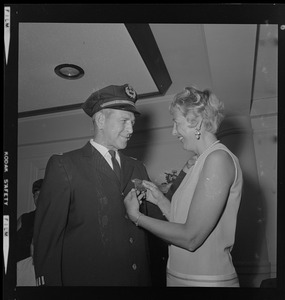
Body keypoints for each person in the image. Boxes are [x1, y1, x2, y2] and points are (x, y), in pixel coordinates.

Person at [32, 84, 185, 286]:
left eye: (132, 122)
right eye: (124, 121)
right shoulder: (65, 165)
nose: (131, 129)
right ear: (101, 120)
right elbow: (47, 242)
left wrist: (184, 177)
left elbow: (160, 224)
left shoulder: (137, 167)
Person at [124, 86, 243, 287]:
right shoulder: (200, 161)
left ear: (195, 123)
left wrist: (137, 217)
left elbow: (191, 237)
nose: (173, 131)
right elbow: (186, 223)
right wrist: (161, 200)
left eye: (176, 123)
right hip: (181, 277)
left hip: (206, 281)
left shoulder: (218, 159)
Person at [17, 178, 43, 286]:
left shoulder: (56, 218)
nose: (38, 197)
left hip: (37, 274)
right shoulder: (24, 218)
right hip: (19, 270)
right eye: (35, 194)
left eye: (41, 193)